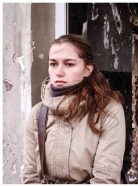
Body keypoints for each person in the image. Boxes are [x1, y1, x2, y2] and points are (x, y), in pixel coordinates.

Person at [22, 34, 126, 184]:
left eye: (69, 64)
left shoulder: (108, 110)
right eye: (53, 64)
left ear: (87, 69)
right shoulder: (38, 113)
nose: (58, 72)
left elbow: (105, 180)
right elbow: (30, 176)